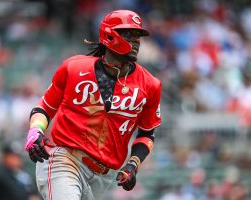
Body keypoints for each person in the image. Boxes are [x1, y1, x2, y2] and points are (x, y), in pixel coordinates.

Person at [25, 9, 161, 200]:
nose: (136, 41)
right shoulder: (74, 68)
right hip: (65, 159)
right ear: (109, 34)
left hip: (103, 177)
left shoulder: (150, 84)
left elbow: (147, 133)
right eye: (129, 35)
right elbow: (44, 108)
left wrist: (133, 164)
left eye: (138, 36)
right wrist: (35, 131)